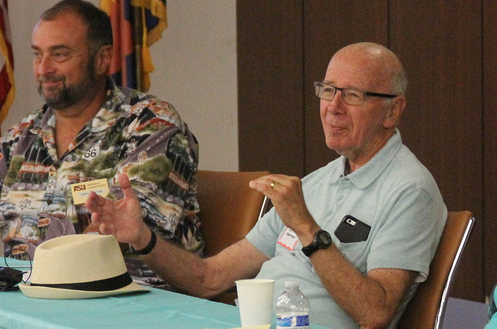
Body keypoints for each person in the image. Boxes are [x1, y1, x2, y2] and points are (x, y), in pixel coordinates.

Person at [86, 42, 447, 329]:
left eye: (353, 95)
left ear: (393, 111)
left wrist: (306, 228)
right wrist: (141, 237)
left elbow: (375, 313)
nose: (333, 107)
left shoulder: (409, 190)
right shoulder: (317, 183)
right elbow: (208, 278)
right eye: (328, 91)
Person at [0, 0, 202, 286]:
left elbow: (116, 231)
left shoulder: (150, 124)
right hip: (29, 305)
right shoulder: (22, 137)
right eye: (37, 54)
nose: (43, 68)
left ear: (102, 59)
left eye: (59, 55)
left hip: (127, 306)